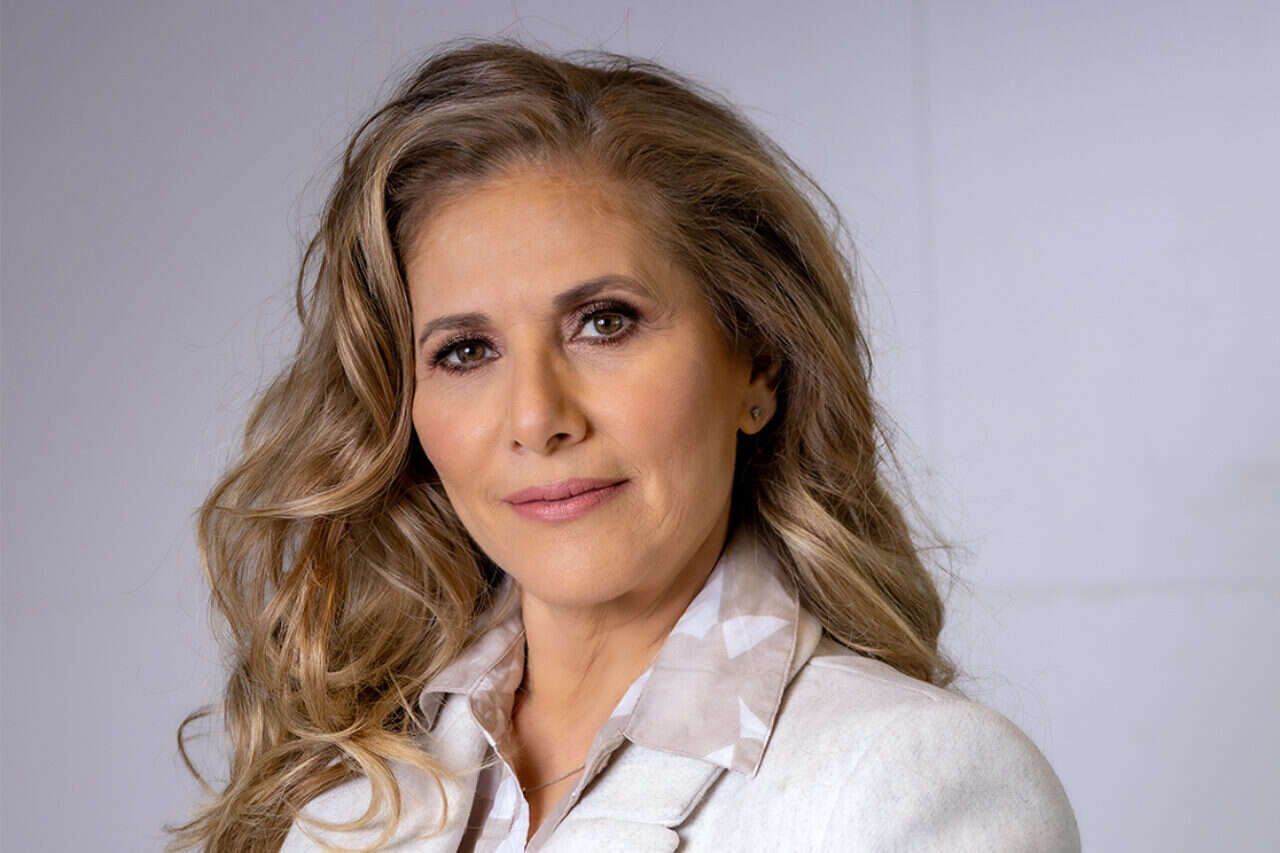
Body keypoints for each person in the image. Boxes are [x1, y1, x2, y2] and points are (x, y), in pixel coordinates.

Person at [169, 37, 1081, 852]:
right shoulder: (347, 805)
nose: (537, 417)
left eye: (604, 321)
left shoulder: (910, 786)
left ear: (757, 364)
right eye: (466, 350)